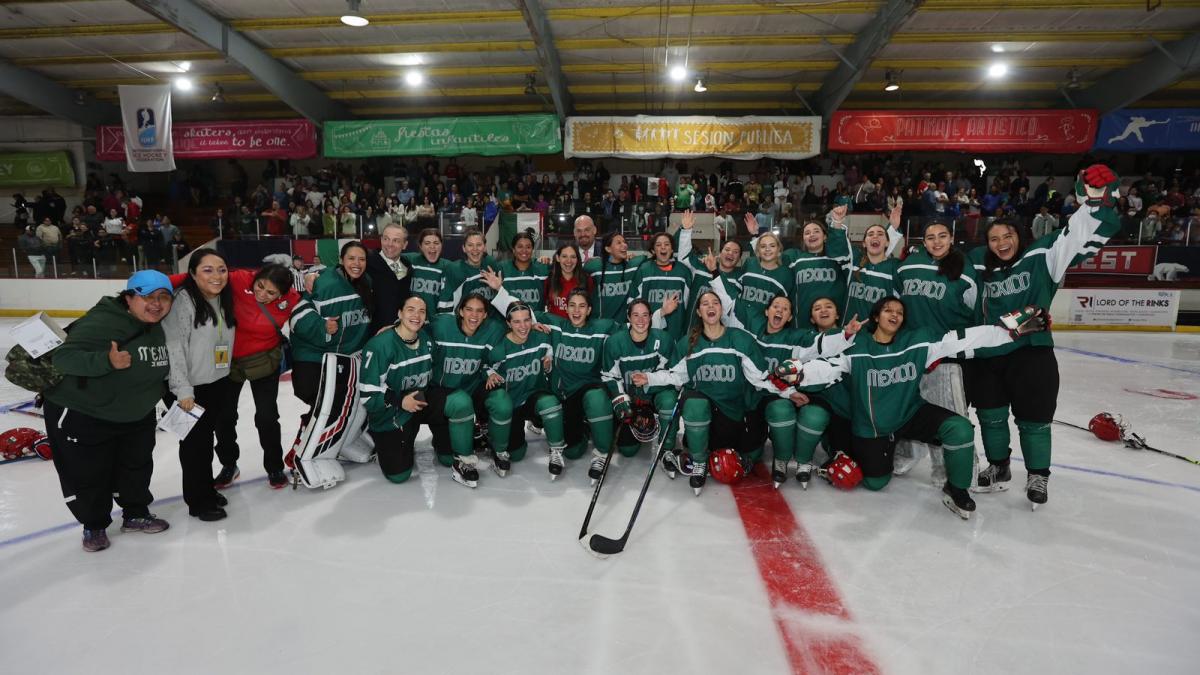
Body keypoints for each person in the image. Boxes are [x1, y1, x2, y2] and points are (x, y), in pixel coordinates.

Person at [783, 296, 1046, 518]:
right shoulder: (857, 347)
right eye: (888, 310)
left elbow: (964, 339)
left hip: (909, 414)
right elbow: (828, 368)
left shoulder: (918, 341)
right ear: (875, 316)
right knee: (876, 483)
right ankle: (853, 451)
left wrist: (1006, 330)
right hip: (873, 427)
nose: (894, 315)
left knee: (960, 429)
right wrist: (799, 374)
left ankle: (956, 490)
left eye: (899, 312)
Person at [967, 165, 1122, 508]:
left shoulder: (1043, 256)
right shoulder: (978, 266)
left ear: (1019, 236)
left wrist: (1095, 202)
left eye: (1007, 236)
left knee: (1034, 420)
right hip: (988, 355)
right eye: (994, 238)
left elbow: (1077, 234)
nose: (1001, 243)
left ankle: (1038, 474)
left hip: (1031, 353)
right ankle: (999, 466)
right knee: (990, 416)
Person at [42, 270, 174, 551]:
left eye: (164, 297)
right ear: (129, 298)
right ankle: (94, 525)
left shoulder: (159, 325)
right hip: (87, 412)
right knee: (90, 473)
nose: (157, 304)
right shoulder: (103, 321)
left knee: (136, 467)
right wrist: (107, 361)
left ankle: (136, 513)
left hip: (136, 414)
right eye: (147, 297)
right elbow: (63, 358)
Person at [635, 291, 790, 496]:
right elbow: (676, 376)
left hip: (737, 414)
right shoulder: (689, 342)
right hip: (708, 415)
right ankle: (699, 462)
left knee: (754, 453)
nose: (710, 306)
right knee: (693, 401)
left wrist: (789, 392)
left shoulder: (740, 338)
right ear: (699, 311)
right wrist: (650, 378)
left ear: (721, 309)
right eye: (705, 303)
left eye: (715, 302)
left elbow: (759, 378)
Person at [891, 220, 981, 484]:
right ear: (923, 240)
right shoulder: (908, 265)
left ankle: (950, 466)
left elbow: (973, 309)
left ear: (951, 238)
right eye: (930, 237)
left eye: (942, 236)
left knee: (948, 410)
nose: (937, 242)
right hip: (913, 350)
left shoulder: (965, 268)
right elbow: (897, 301)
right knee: (910, 404)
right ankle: (909, 450)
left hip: (947, 353)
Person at [359, 296, 482, 486]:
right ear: (399, 313)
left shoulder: (426, 338)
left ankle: (461, 460)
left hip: (421, 399)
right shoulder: (379, 346)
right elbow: (367, 395)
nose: (416, 315)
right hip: (393, 411)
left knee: (460, 401)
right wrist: (400, 400)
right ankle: (387, 443)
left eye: (421, 311)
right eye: (410, 310)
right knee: (398, 476)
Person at [162, 249, 238, 522]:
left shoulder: (221, 299)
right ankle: (198, 501)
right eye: (207, 270)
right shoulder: (183, 302)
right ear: (192, 274)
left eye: (221, 269)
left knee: (206, 443)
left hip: (216, 382)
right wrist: (183, 390)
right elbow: (175, 347)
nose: (217, 276)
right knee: (195, 448)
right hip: (189, 390)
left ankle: (204, 489)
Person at [288, 241, 373, 445]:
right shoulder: (325, 283)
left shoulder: (368, 282)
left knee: (355, 402)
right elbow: (296, 318)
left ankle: (345, 439)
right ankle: (305, 444)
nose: (356, 263)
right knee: (328, 403)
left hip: (347, 357)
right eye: (351, 258)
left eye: (361, 259)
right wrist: (322, 328)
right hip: (314, 357)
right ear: (341, 260)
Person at [483, 302, 567, 479]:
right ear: (508, 323)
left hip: (532, 398)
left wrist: (548, 364)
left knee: (550, 403)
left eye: (527, 320)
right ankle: (496, 445)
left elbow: (551, 354)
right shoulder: (500, 350)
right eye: (517, 322)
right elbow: (484, 365)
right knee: (517, 454)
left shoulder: (542, 339)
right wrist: (489, 374)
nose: (523, 326)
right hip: (512, 405)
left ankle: (556, 450)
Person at [626, 232, 693, 338]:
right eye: (658, 245)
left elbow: (690, 305)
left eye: (667, 244)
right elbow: (632, 303)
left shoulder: (683, 271)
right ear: (653, 250)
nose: (663, 247)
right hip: (648, 334)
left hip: (677, 334)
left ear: (672, 249)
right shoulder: (644, 270)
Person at [365, 223, 414, 334]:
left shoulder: (407, 267)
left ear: (405, 244)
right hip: (372, 333)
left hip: (400, 332)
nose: (390, 244)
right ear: (381, 239)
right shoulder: (367, 261)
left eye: (396, 240)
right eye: (386, 239)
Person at [583, 230, 641, 322]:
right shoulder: (594, 266)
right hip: (599, 326)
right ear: (608, 249)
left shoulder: (632, 266)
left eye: (624, 242)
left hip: (623, 328)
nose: (624, 245)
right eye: (618, 243)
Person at [437, 229, 498, 313]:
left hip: (489, 320)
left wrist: (499, 288)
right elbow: (444, 305)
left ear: (484, 247)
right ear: (464, 248)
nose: (475, 249)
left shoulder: (491, 264)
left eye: (479, 245)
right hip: (465, 322)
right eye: (470, 245)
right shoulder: (454, 269)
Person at [494, 231, 549, 308]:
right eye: (520, 246)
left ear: (532, 249)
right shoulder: (502, 268)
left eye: (528, 247)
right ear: (513, 249)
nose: (524, 250)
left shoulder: (542, 268)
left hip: (536, 319)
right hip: (509, 319)